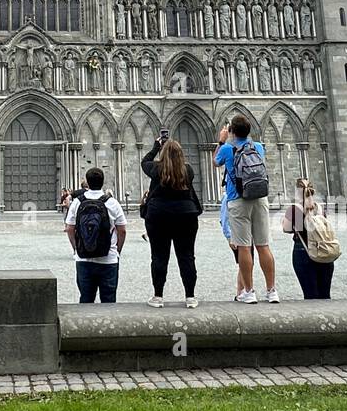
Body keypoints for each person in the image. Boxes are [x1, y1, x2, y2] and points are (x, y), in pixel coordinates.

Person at [214, 115, 277, 303]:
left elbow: (215, 162)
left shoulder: (226, 149)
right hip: (259, 199)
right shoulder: (258, 147)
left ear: (232, 131)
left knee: (244, 247)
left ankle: (249, 292)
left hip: (238, 201)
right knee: (263, 245)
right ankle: (272, 290)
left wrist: (221, 139)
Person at [141, 134, 202, 308]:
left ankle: (158, 296)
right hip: (186, 215)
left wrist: (156, 147)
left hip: (158, 215)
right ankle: (190, 297)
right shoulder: (188, 170)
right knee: (187, 256)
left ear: (164, 153)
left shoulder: (156, 169)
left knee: (159, 256)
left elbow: (144, 161)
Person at [64, 167, 127, 303]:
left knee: (86, 300)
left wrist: (77, 248)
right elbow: (122, 230)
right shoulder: (112, 202)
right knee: (109, 300)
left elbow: (69, 228)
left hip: (84, 259)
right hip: (108, 258)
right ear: (103, 182)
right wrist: (117, 250)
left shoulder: (77, 202)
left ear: (87, 182)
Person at [282, 178, 334, 299]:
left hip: (303, 251)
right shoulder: (319, 208)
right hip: (323, 250)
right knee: (325, 295)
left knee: (310, 295)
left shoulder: (295, 209)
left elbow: (287, 228)